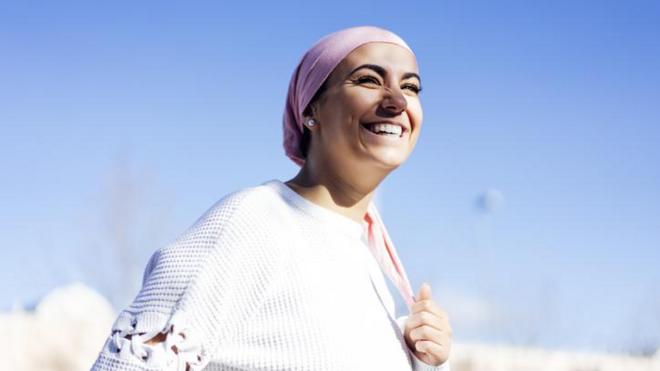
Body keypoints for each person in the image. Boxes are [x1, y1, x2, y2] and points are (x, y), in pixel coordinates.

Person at [91, 25, 453, 371]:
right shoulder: (254, 221)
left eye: (411, 87)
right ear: (311, 110)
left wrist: (423, 360)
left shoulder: (366, 260)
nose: (396, 100)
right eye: (369, 80)